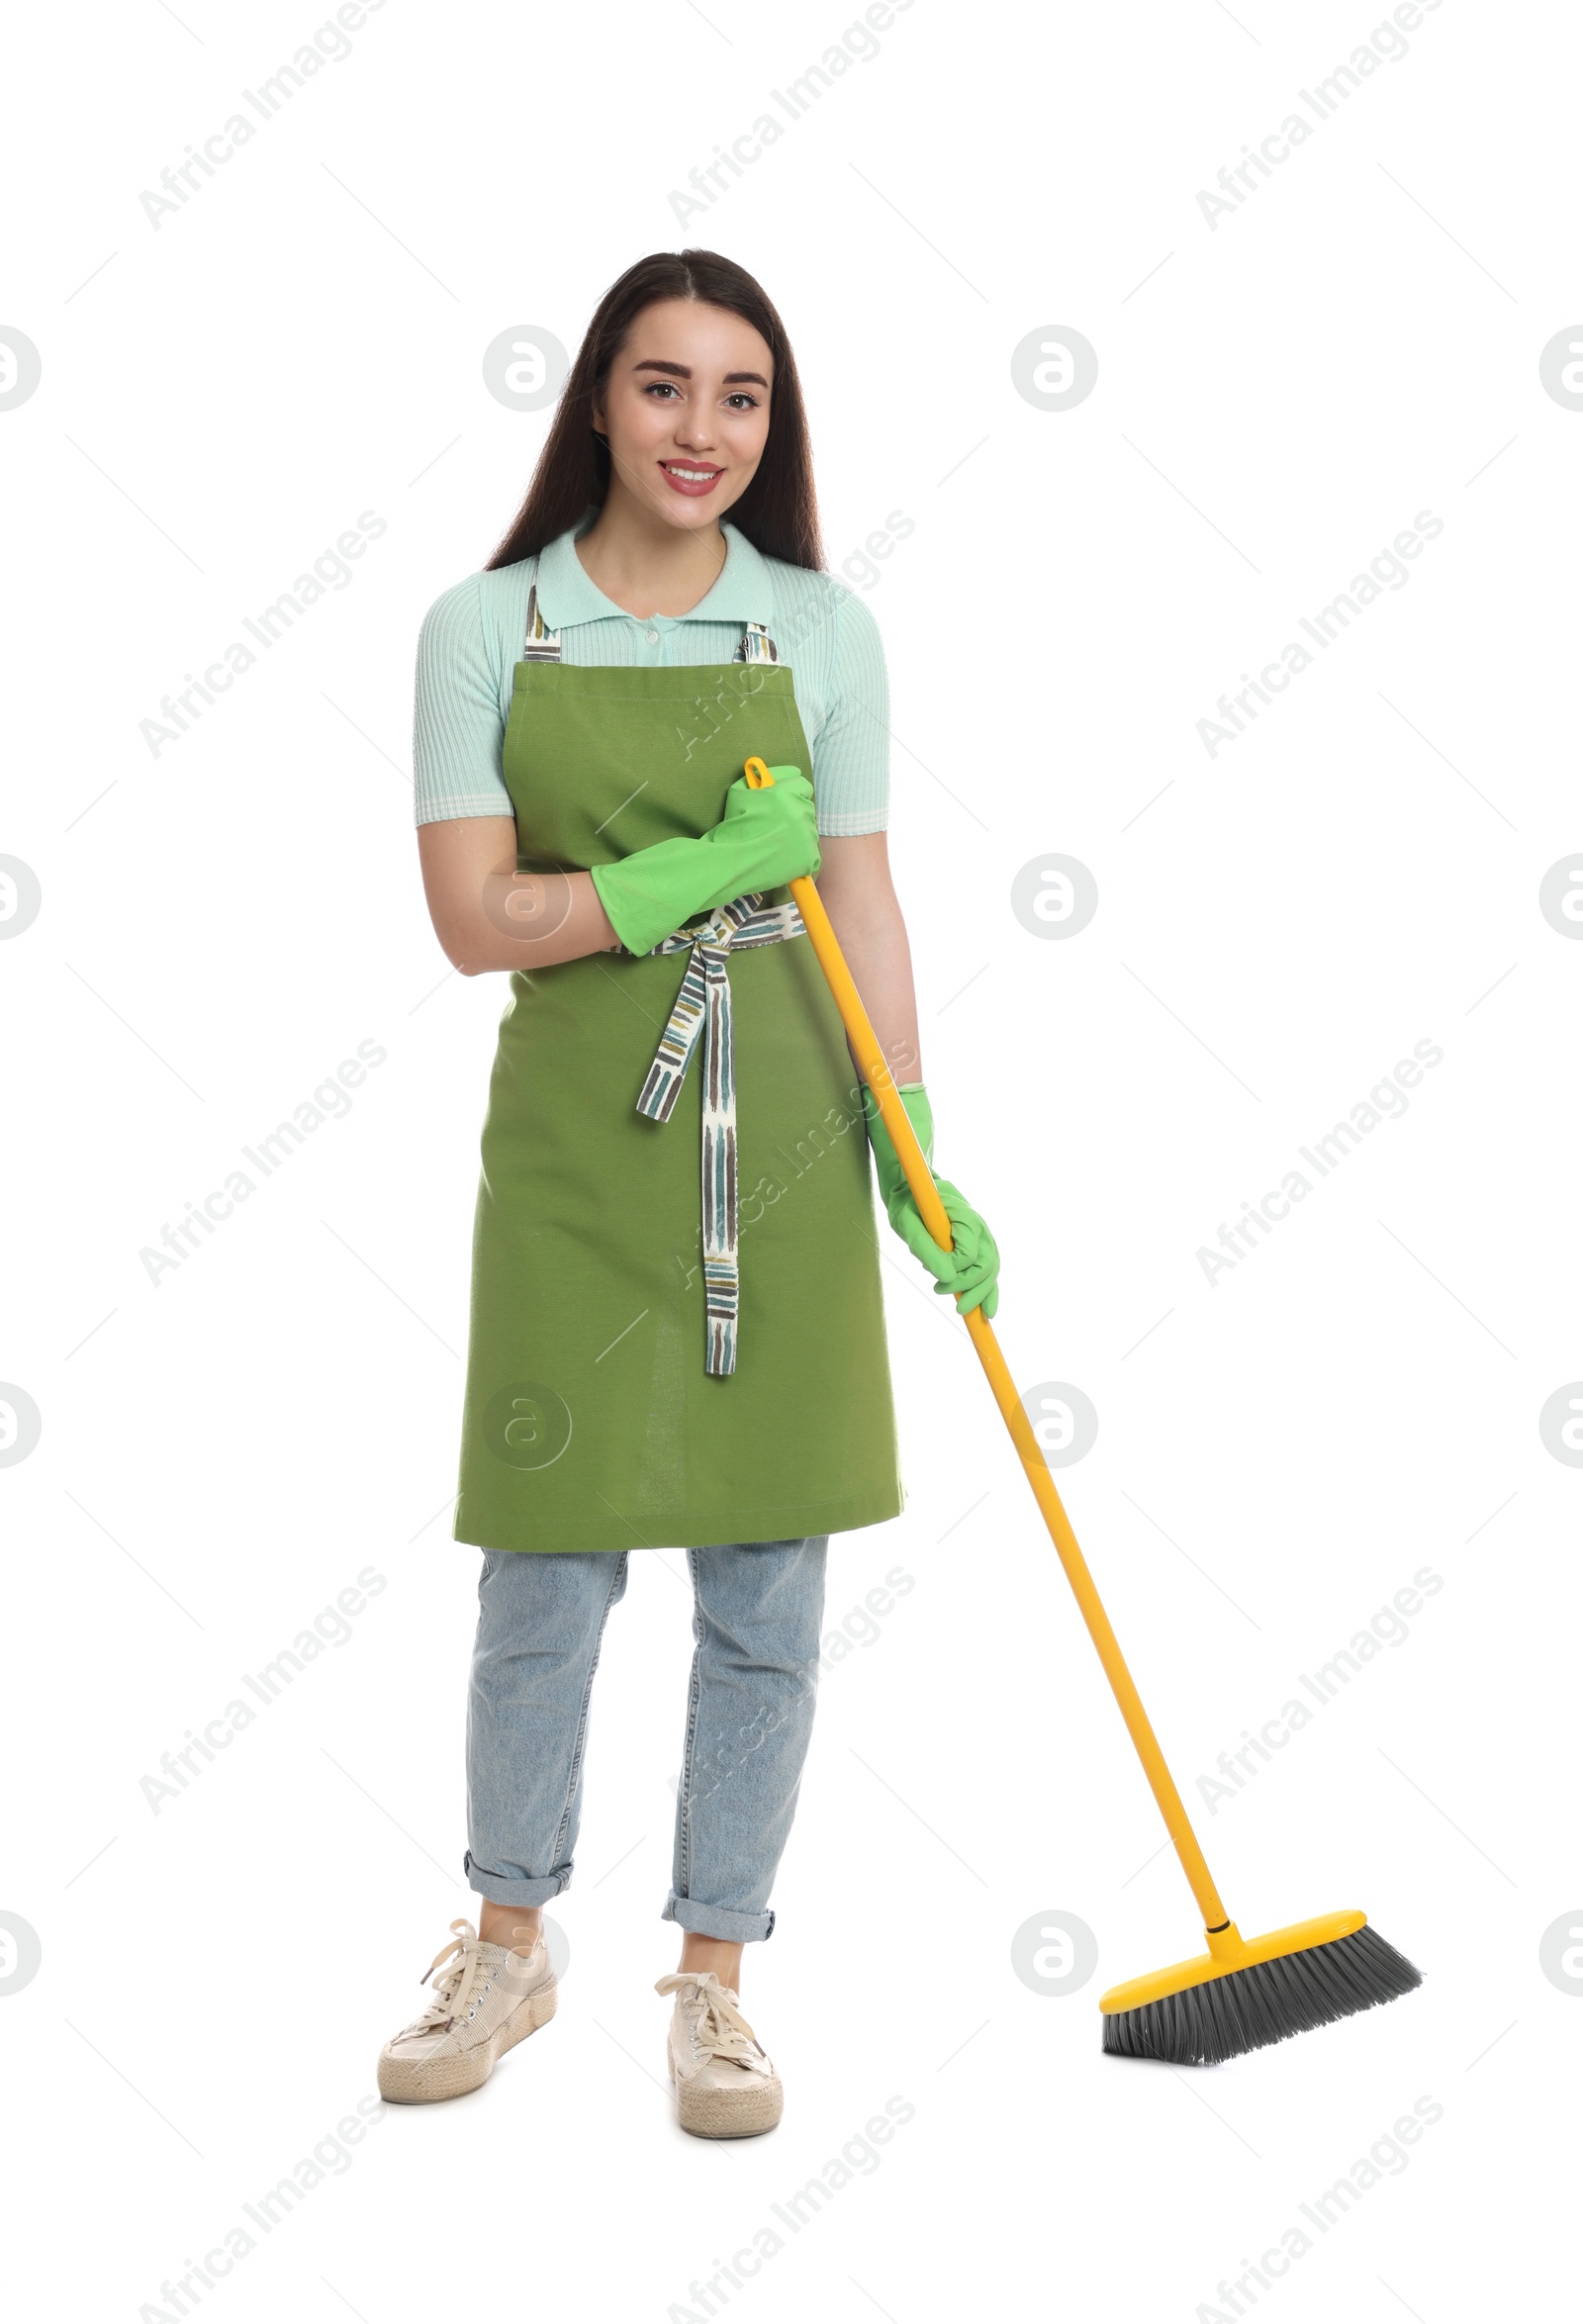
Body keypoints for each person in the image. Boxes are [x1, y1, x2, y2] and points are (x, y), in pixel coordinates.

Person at [377, 249, 999, 2137]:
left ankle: (714, 1977)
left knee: (766, 1576)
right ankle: (508, 1938)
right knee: (543, 1564)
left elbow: (865, 899)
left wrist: (908, 1132)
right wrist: (674, 881)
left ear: (771, 424)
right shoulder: (488, 627)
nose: (702, 431)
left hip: (787, 1130)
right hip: (579, 1137)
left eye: (741, 397)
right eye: (664, 389)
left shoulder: (823, 628)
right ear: (597, 403)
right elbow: (475, 923)